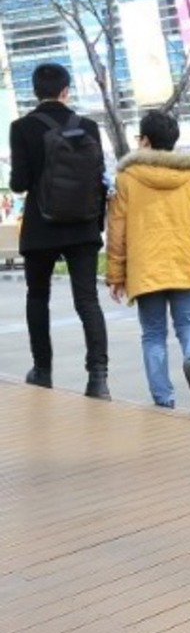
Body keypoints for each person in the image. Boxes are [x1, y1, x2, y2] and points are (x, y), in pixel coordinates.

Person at [105, 109, 190, 409]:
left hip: (147, 269)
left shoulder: (127, 178)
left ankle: (163, 399)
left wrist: (116, 274)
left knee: (153, 335)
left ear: (144, 141)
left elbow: (116, 230)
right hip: (187, 263)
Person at [8, 61, 110, 397]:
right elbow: (98, 179)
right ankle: (98, 378)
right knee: (87, 300)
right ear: (66, 91)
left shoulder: (21, 127)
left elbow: (20, 184)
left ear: (35, 92)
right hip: (82, 228)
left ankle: (43, 371)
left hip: (41, 228)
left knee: (38, 297)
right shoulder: (89, 127)